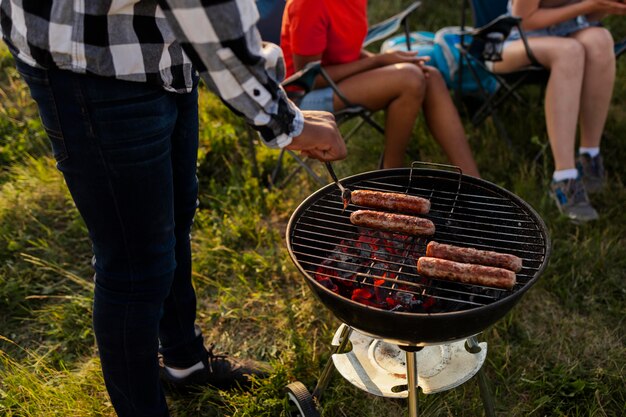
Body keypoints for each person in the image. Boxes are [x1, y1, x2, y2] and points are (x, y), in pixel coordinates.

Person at [0, 1, 346, 416]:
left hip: (163, 47)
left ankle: (185, 361)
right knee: (134, 270)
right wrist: (286, 124)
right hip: (90, 63)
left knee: (175, 217)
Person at [279, 0, 481, 177]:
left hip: (338, 79)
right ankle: (390, 176)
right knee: (410, 78)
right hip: (303, 97)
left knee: (431, 76)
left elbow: (345, 50)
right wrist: (378, 61)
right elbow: (310, 78)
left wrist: (383, 62)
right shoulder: (308, 4)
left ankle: (474, 184)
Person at [494, 0, 626, 223]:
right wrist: (587, 6)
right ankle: (564, 178)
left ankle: (590, 156)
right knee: (569, 52)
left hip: (569, 30)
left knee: (601, 39)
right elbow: (525, 20)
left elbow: (591, 18)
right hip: (516, 39)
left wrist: (606, 6)